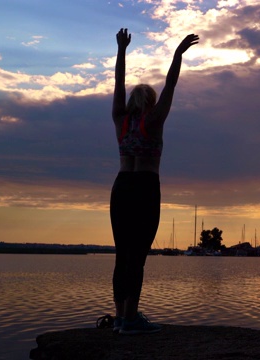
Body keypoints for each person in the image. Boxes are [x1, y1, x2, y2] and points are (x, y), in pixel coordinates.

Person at [110, 28, 199, 335]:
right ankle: (131, 319)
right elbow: (170, 84)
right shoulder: (155, 120)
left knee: (122, 253)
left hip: (121, 187)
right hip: (145, 188)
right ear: (150, 101)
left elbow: (118, 83)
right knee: (138, 255)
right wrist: (177, 55)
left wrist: (122, 49)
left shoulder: (120, 121)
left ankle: (120, 317)